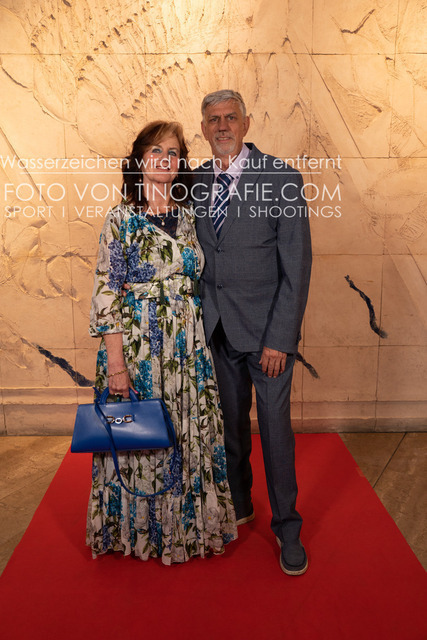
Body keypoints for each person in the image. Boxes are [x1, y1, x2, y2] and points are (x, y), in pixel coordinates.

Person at [87, 120, 237, 565]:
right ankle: (141, 533)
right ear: (138, 159)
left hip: (187, 352)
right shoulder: (120, 219)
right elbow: (106, 293)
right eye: (155, 151)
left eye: (172, 153)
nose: (164, 160)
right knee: (141, 437)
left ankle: (185, 531)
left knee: (186, 437)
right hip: (138, 350)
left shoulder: (188, 217)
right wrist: (117, 365)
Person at [192, 90, 312, 575]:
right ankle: (240, 504)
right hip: (217, 331)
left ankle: (288, 528)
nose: (222, 126)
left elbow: (296, 267)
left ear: (246, 123)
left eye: (230, 118)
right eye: (213, 119)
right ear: (203, 128)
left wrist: (281, 339)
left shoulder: (281, 179)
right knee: (230, 426)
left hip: (268, 339)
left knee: (276, 434)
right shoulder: (194, 181)